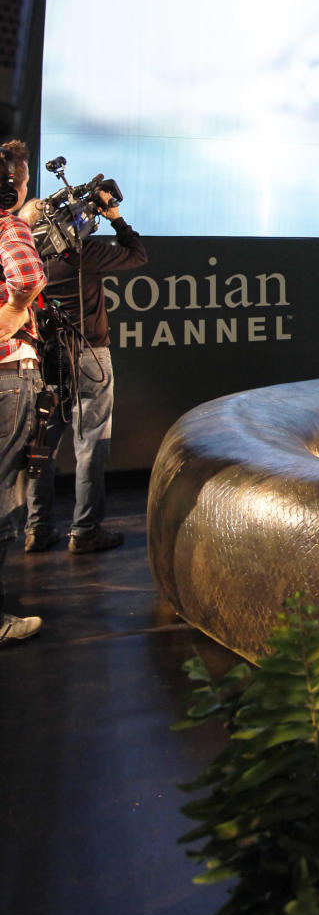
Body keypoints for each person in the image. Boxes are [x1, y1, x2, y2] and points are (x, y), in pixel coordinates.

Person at [24, 188, 147, 554]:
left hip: (45, 358)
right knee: (91, 445)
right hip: (90, 357)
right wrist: (116, 218)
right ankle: (85, 531)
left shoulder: (28, 255)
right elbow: (137, 255)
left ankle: (37, 528)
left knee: (41, 446)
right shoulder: (85, 253)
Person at [0, 140, 46, 645]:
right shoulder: (8, 226)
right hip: (8, 376)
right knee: (2, 494)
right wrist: (10, 318)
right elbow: (29, 277)